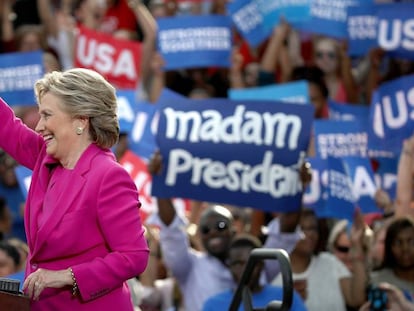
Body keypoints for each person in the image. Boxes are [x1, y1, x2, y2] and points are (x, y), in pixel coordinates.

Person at [0, 67, 149, 310]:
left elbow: (134, 257)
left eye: (47, 115)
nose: (39, 126)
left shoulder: (108, 176)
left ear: (80, 120)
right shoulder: (45, 158)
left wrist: (65, 276)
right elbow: (6, 126)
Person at [202, 233, 308, 311]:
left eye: (250, 263)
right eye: (237, 264)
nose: (245, 270)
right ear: (229, 267)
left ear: (261, 265)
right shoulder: (213, 305)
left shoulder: (285, 297)